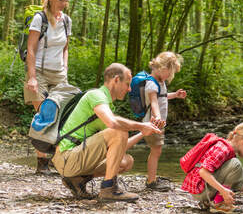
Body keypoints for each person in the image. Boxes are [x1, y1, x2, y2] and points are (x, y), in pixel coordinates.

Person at [51, 63, 163, 201]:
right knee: (119, 130)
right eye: (127, 84)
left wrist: (144, 132)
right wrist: (141, 126)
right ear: (116, 80)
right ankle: (109, 189)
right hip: (66, 157)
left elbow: (118, 146)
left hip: (73, 159)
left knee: (126, 161)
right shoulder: (96, 95)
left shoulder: (106, 105)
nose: (129, 89)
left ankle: (77, 180)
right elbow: (114, 124)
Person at [24, 0, 72, 175]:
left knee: (60, 116)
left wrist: (65, 69)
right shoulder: (40, 18)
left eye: (66, 1)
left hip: (59, 73)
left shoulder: (66, 20)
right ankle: (41, 163)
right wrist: (33, 77)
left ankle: (54, 160)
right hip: (39, 72)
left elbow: (66, 48)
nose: (63, 3)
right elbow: (31, 49)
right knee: (44, 115)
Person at [181, 121, 243, 212]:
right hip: (200, 190)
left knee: (241, 171)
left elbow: (236, 179)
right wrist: (223, 191)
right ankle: (218, 203)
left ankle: (209, 202)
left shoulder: (227, 150)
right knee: (236, 165)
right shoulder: (223, 149)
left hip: (201, 189)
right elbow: (203, 172)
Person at [142, 51, 187, 191]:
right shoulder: (151, 83)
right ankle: (151, 181)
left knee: (156, 150)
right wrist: (158, 117)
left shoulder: (159, 81)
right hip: (154, 123)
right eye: (170, 73)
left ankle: (152, 177)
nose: (169, 77)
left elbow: (163, 96)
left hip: (157, 123)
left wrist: (175, 95)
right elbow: (154, 102)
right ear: (163, 68)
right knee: (156, 150)